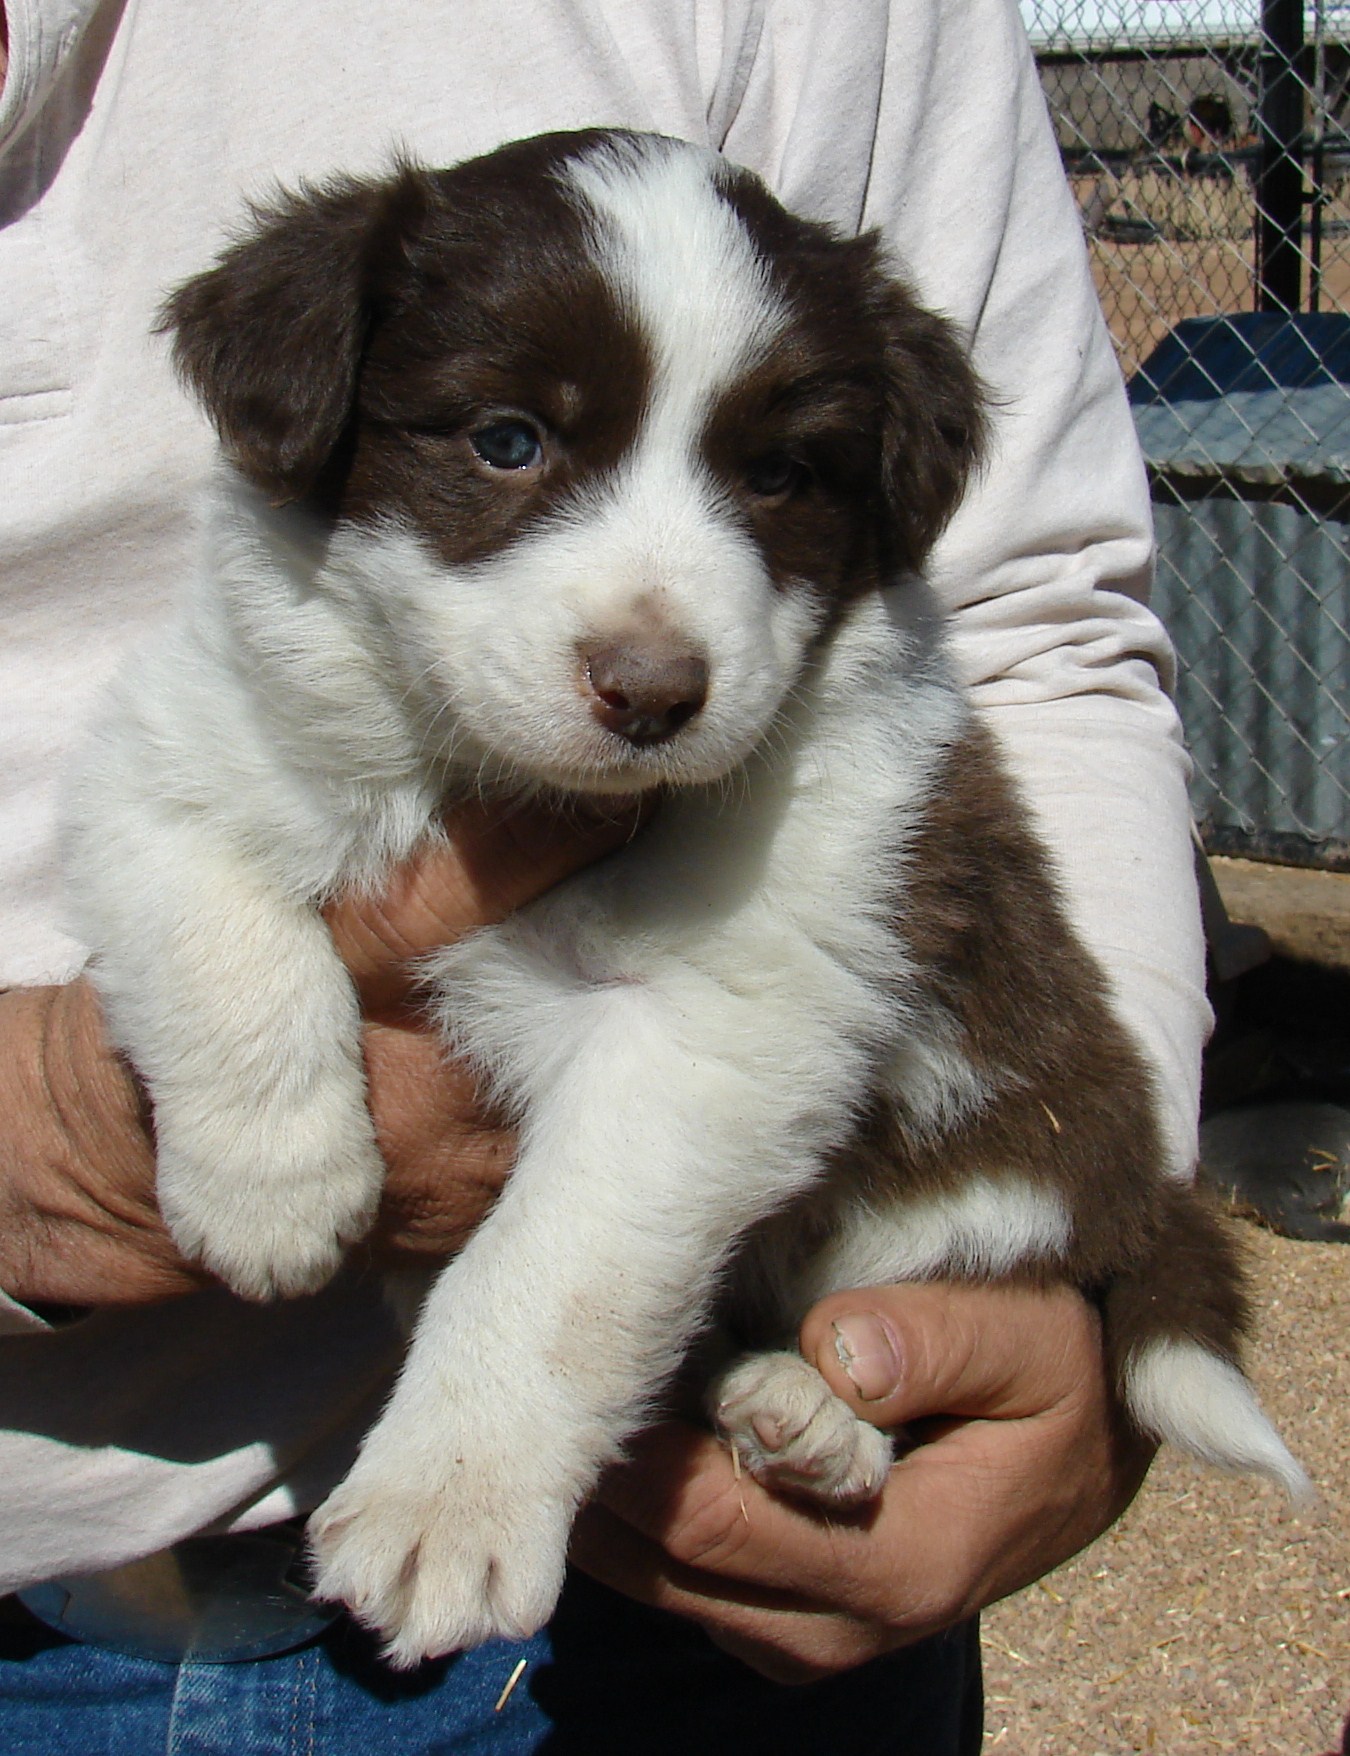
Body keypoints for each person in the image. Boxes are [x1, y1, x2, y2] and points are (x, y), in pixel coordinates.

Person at [0, 0, 1208, 1749]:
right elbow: (163, 815)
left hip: (667, 1598)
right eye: (510, 445)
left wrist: (1085, 1285)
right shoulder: (299, 490)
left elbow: (1028, 624)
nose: (651, 641)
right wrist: (104, 1117)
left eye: (771, 472)